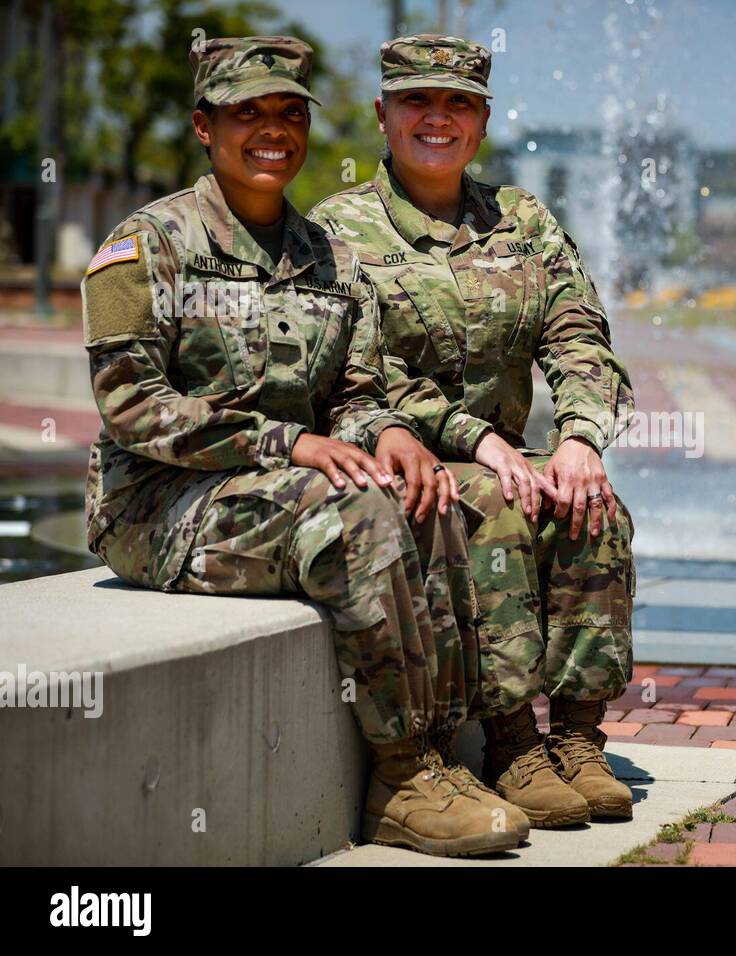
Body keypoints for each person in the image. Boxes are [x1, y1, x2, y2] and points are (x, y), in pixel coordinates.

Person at [82, 36, 527, 857]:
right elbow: (129, 407)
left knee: (430, 493)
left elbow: (354, 394)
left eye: (289, 113)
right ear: (202, 127)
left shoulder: (327, 256)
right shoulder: (150, 246)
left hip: (274, 491)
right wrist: (290, 443)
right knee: (359, 515)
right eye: (247, 114)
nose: (273, 131)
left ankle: (452, 750)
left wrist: (391, 434)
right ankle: (399, 777)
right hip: (157, 507)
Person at [310, 34, 636, 826]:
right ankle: (514, 740)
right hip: (404, 458)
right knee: (493, 505)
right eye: (418, 101)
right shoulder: (335, 231)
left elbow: (578, 336)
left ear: (482, 122)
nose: (437, 119)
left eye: (458, 103)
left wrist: (580, 437)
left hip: (511, 456)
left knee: (594, 505)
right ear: (382, 114)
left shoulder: (523, 220)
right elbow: (357, 375)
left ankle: (581, 737)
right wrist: (472, 434)